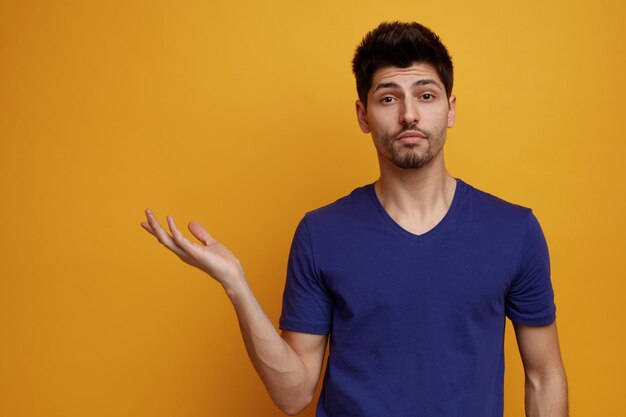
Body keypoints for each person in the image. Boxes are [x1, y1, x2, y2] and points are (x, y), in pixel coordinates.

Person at [141, 21, 568, 417]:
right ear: (363, 115)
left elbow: (543, 376)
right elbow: (293, 395)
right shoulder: (320, 233)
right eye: (388, 98)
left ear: (450, 109)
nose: (409, 115)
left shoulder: (513, 230)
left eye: (426, 95)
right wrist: (235, 284)